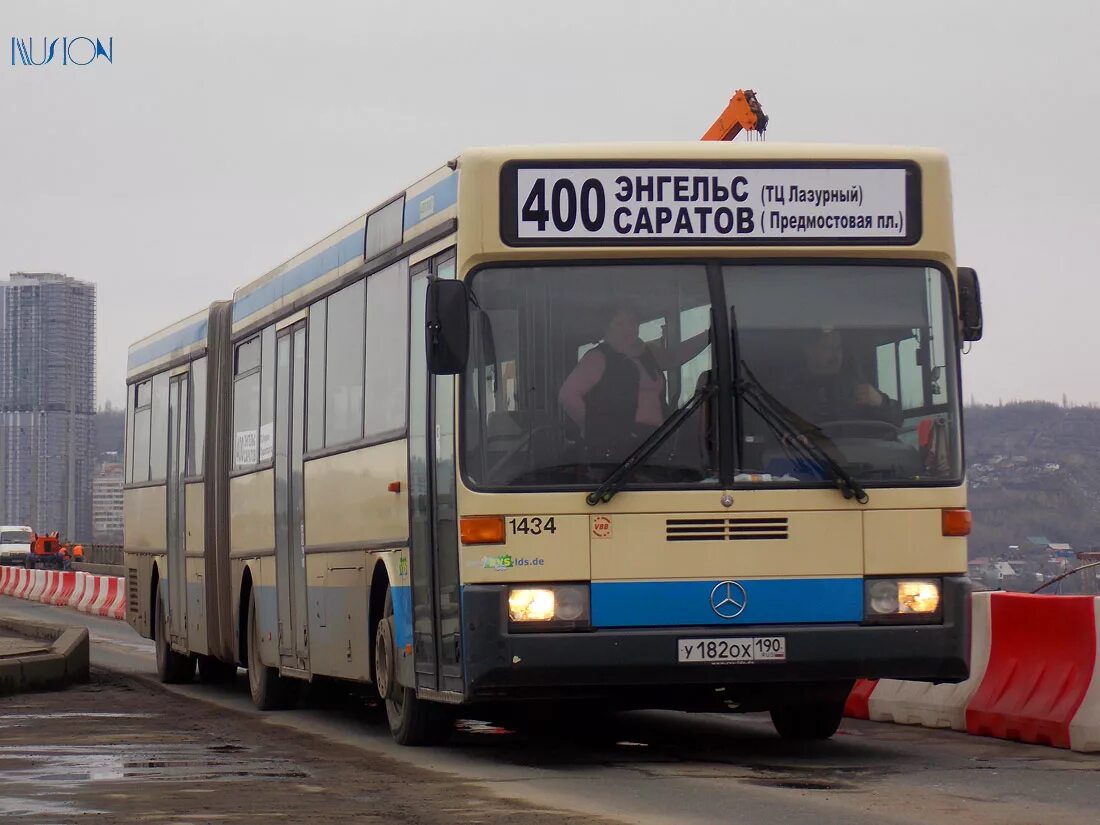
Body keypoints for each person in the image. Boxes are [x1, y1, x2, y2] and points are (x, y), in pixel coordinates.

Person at [559, 304, 710, 459]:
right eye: (620, 324)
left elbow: (674, 356)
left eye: (632, 322)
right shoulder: (598, 357)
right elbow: (568, 395)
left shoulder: (646, 354)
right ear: (607, 328)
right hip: (621, 451)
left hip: (657, 440)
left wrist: (709, 335)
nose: (628, 328)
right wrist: (595, 430)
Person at [774, 328, 901, 427]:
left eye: (838, 348)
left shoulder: (858, 389)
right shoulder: (788, 396)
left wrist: (882, 402)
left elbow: (898, 420)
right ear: (809, 350)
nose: (836, 356)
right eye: (827, 348)